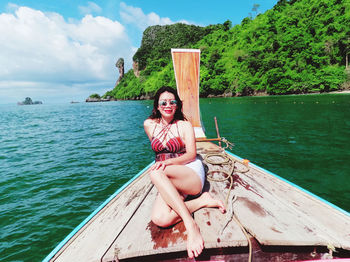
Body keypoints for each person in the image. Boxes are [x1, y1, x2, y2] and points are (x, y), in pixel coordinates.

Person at [144, 86, 226, 259]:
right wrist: (164, 164)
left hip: (190, 171)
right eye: (163, 102)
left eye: (172, 102)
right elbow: (158, 152)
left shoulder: (184, 125)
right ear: (157, 106)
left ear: (177, 105)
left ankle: (191, 226)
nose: (168, 105)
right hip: (170, 174)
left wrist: (167, 163)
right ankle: (202, 201)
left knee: (155, 172)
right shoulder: (149, 125)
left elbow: (190, 154)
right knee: (160, 219)